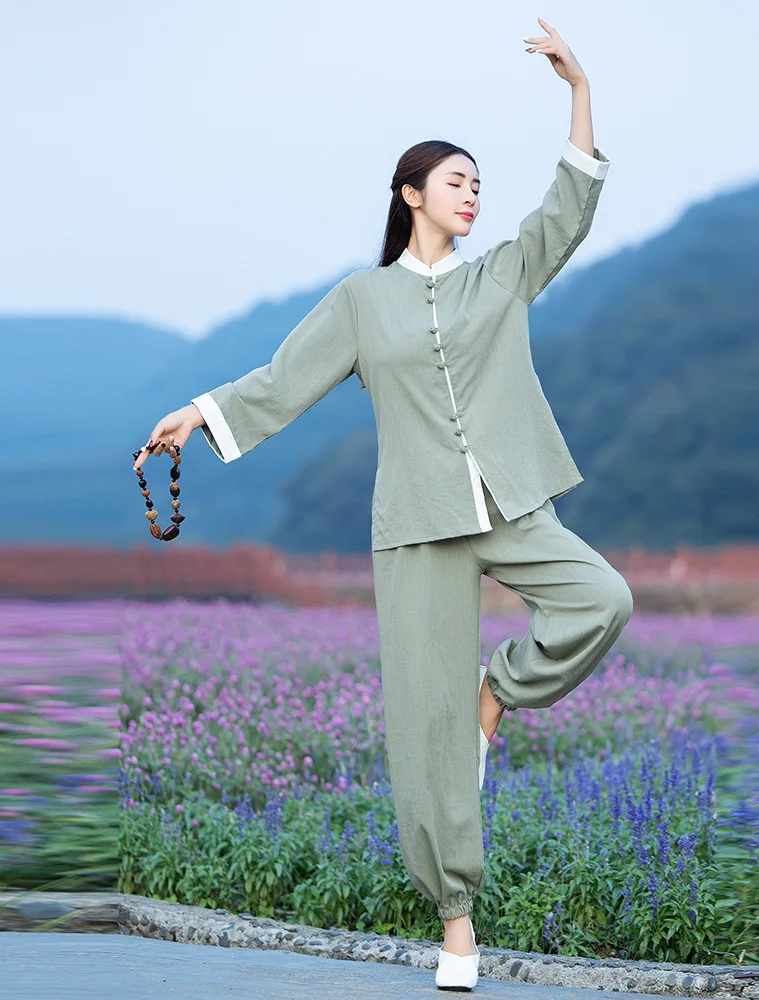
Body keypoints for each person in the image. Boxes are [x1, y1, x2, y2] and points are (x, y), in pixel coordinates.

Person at [134, 18, 633, 992]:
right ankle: (456, 922)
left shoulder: (503, 274)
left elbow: (566, 210)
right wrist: (197, 414)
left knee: (601, 598)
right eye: (456, 180)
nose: (472, 193)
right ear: (411, 195)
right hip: (414, 522)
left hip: (511, 499)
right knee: (423, 718)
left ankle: (502, 690)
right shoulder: (363, 300)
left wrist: (578, 87)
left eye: (479, 182)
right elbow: (284, 380)